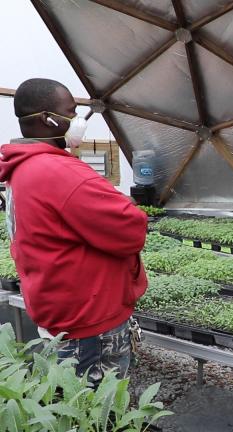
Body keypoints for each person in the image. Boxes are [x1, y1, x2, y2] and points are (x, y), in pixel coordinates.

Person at [0, 78, 148, 385]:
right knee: (99, 408)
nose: (77, 120)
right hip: (90, 323)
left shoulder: (22, 168)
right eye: (71, 111)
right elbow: (130, 229)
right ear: (47, 119)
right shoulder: (60, 172)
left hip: (58, 310)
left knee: (73, 404)